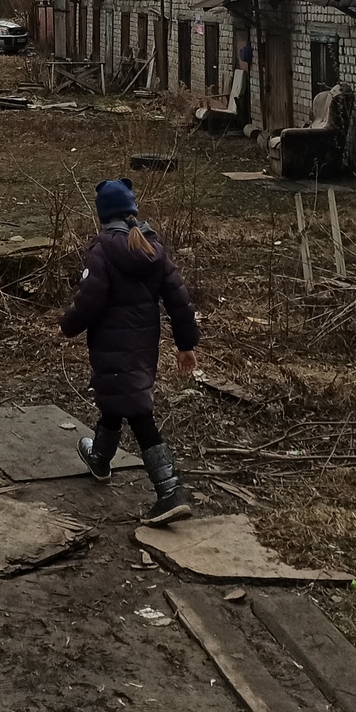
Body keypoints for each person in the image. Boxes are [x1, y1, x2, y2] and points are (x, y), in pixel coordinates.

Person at [60, 177, 201, 525]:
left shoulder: (103, 249)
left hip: (112, 343)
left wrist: (68, 325)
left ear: (103, 215)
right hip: (143, 345)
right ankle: (100, 458)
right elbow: (179, 300)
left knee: (136, 410)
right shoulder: (153, 247)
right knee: (118, 399)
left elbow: (89, 299)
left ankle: (169, 489)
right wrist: (186, 345)